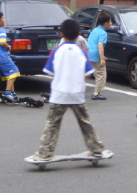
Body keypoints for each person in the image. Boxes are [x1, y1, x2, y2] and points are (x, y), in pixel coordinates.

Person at [31, 19, 104, 161]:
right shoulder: (82, 52)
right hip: (77, 94)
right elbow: (88, 74)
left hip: (59, 94)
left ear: (61, 34)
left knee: (52, 124)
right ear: (79, 34)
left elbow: (50, 72)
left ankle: (45, 152)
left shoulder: (56, 51)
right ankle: (96, 150)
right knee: (85, 122)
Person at [0, 11, 20, 101]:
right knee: (14, 72)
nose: (4, 20)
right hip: (2, 56)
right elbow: (2, 42)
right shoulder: (1, 31)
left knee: (9, 75)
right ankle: (7, 92)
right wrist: (8, 46)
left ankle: (12, 94)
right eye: (3, 18)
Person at [88, 12, 112, 100]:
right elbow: (100, 45)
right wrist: (102, 58)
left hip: (89, 53)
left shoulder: (95, 30)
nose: (111, 23)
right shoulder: (103, 33)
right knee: (101, 74)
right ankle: (96, 93)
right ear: (106, 23)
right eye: (110, 21)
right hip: (96, 55)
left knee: (94, 73)